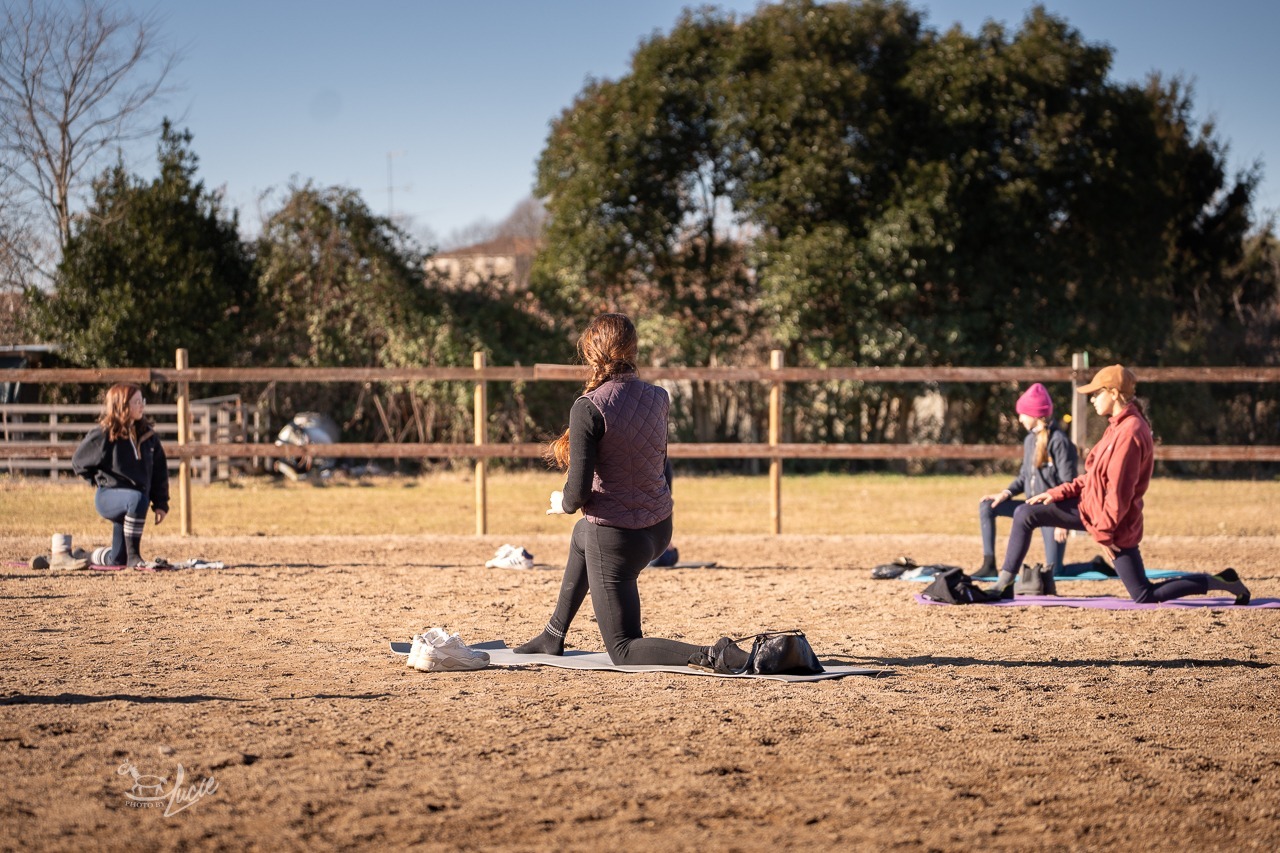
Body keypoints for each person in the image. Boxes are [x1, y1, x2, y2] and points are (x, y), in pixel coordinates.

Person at [514, 313, 750, 669]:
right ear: (632, 349)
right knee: (582, 534)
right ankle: (553, 635)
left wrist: (562, 503)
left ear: (589, 352)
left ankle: (713, 653)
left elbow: (577, 493)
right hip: (658, 531)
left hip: (618, 540)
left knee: (623, 649)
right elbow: (663, 465)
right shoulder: (658, 397)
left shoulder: (588, 407)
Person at [989, 365, 1249, 604]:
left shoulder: (1131, 431)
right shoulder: (1116, 426)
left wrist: (1104, 535)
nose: (1092, 399)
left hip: (1114, 521)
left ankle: (1220, 580)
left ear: (1113, 394)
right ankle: (1004, 584)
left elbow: (1119, 493)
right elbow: (1094, 477)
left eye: (1096, 394)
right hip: (1092, 509)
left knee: (1144, 594)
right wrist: (1057, 493)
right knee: (1025, 513)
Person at [976, 383, 1079, 578]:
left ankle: (1095, 564)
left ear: (1035, 414)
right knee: (987, 506)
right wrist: (1005, 494)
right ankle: (989, 564)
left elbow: (1069, 484)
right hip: (1029, 506)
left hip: (1052, 510)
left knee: (1055, 571)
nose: (1020, 418)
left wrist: (1063, 522)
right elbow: (1024, 477)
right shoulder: (1030, 440)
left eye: (1023, 414)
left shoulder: (1059, 441)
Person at [72, 383, 170, 567]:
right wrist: (100, 479)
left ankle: (83, 556)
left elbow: (159, 472)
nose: (142, 406)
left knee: (117, 560)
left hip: (134, 504)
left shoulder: (149, 437)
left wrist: (161, 503)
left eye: (142, 401)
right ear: (122, 405)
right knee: (138, 498)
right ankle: (135, 557)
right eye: (136, 402)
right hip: (109, 497)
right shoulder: (104, 434)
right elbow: (78, 461)